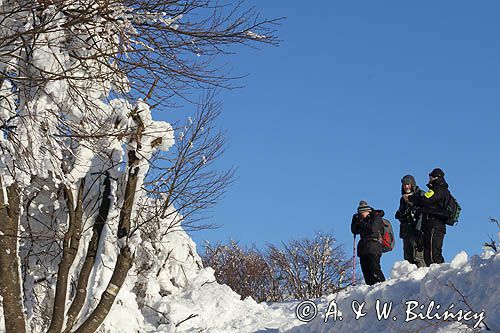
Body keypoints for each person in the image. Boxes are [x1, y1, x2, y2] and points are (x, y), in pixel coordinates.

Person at [404, 168, 449, 266]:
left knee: (433, 253)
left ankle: (438, 275)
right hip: (433, 224)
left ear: (435, 177)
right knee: (429, 252)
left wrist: (410, 198)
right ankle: (434, 274)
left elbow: (425, 200)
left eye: (430, 177)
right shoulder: (439, 190)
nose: (429, 179)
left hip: (435, 224)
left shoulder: (438, 190)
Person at [351, 200, 386, 285]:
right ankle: (370, 289)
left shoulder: (376, 217)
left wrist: (361, 222)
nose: (361, 215)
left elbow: (371, 228)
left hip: (374, 246)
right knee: (366, 272)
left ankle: (382, 285)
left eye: (362, 213)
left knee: (374, 269)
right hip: (363, 247)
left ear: (367, 211)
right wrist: (355, 221)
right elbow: (354, 230)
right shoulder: (360, 219)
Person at [395, 175, 426, 268]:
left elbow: (424, 210)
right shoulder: (402, 199)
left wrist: (410, 202)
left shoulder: (420, 194)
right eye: (404, 185)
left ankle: (423, 276)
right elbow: (402, 213)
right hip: (406, 231)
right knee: (408, 258)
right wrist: (400, 215)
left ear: (412, 184)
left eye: (408, 184)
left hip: (418, 230)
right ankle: (410, 280)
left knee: (418, 256)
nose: (406, 187)